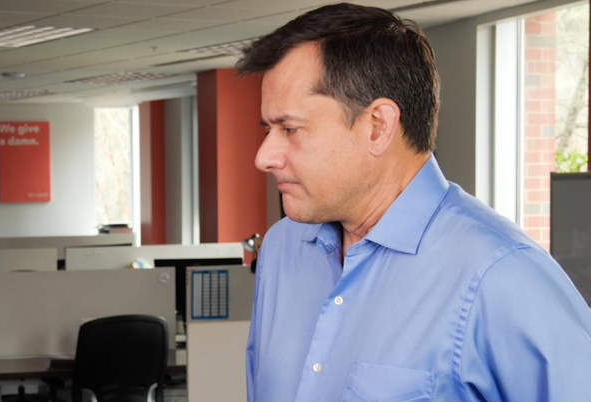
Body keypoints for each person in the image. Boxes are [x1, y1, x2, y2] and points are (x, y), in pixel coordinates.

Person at [238, 3, 591, 401]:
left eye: (289, 128)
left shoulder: (500, 275)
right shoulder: (282, 250)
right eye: (268, 130)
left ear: (378, 126)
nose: (264, 157)